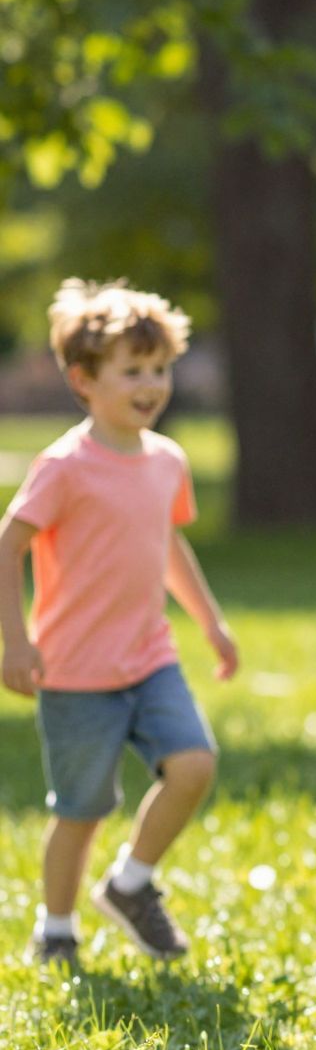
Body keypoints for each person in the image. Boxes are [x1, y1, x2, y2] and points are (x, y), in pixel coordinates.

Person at [0, 279, 238, 966]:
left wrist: (211, 624)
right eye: (132, 370)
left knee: (194, 764)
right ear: (83, 379)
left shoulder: (167, 460)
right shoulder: (64, 466)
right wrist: (16, 641)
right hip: (74, 670)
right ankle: (56, 928)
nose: (151, 384)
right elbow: (9, 543)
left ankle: (132, 883)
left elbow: (169, 544)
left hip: (149, 657)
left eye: (159, 368)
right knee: (80, 812)